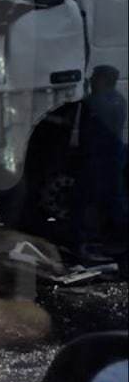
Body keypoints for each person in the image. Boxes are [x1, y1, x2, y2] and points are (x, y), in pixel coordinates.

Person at [72, 65, 128, 256]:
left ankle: (92, 238)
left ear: (104, 80)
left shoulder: (101, 102)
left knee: (95, 198)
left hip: (101, 157)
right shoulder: (118, 100)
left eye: (96, 78)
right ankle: (113, 237)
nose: (92, 80)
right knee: (112, 197)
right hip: (109, 156)